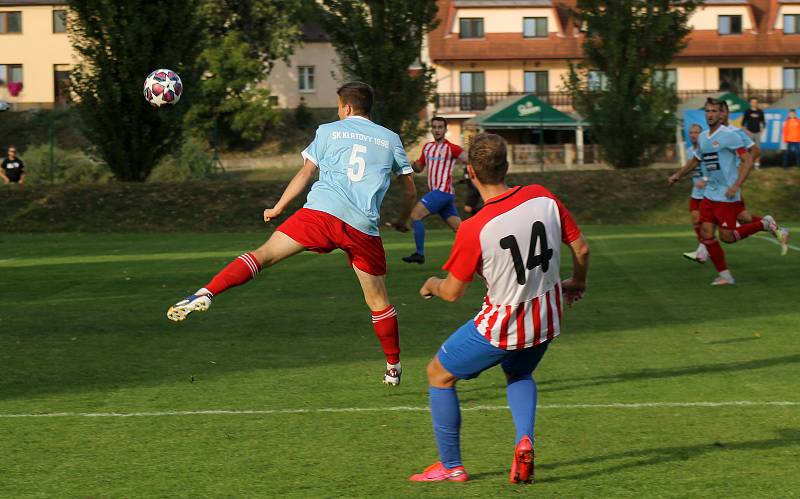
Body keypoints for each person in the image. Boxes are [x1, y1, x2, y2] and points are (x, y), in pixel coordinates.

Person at [167, 82, 417, 386]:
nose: (338, 111)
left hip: (320, 214)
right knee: (378, 301)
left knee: (263, 255)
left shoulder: (327, 131)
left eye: (339, 106)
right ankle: (393, 366)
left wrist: (278, 207)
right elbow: (409, 191)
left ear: (347, 108)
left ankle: (205, 293)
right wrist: (403, 220)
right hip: (362, 226)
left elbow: (305, 173)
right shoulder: (391, 139)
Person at [409, 133, 590, 484]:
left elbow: (451, 293)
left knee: (438, 374)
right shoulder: (542, 195)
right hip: (548, 318)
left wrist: (431, 284)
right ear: (507, 166)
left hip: (504, 325)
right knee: (519, 374)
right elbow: (581, 249)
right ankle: (525, 440)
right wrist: (578, 282)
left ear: (472, 174)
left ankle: (451, 466)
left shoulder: (474, 227)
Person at [669, 98, 790, 286]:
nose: (710, 114)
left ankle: (765, 224)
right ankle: (725, 275)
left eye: (714, 111)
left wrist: (736, 185)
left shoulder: (731, 135)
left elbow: (748, 159)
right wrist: (678, 174)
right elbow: (696, 160)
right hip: (710, 193)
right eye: (707, 111)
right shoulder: (702, 137)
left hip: (726, 195)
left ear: (721, 114)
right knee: (707, 232)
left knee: (727, 237)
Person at [401, 117, 468, 264]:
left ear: (445, 130)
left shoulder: (452, 148)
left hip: (442, 192)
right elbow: (419, 168)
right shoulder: (427, 147)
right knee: (460, 230)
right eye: (435, 127)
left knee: (415, 215)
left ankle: (419, 254)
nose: (437, 130)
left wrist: (468, 173)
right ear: (432, 129)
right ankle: (476, 253)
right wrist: (411, 164)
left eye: (440, 127)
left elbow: (469, 160)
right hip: (442, 196)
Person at [681, 124, 710, 263]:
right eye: (691, 132)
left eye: (696, 132)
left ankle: (703, 249)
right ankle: (703, 248)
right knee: (695, 219)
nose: (693, 135)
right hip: (696, 192)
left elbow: (713, 168)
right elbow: (690, 167)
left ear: (702, 134)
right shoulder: (689, 151)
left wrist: (705, 179)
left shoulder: (706, 149)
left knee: (706, 224)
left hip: (708, 192)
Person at [740, 98, 765, 168]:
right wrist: (747, 132)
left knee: (757, 149)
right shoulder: (747, 111)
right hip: (749, 133)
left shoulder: (760, 112)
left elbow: (763, 123)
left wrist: (761, 131)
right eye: (753, 102)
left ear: (757, 103)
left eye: (755, 102)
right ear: (750, 103)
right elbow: (743, 124)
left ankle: (757, 165)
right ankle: (747, 164)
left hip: (757, 133)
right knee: (748, 149)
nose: (754, 103)